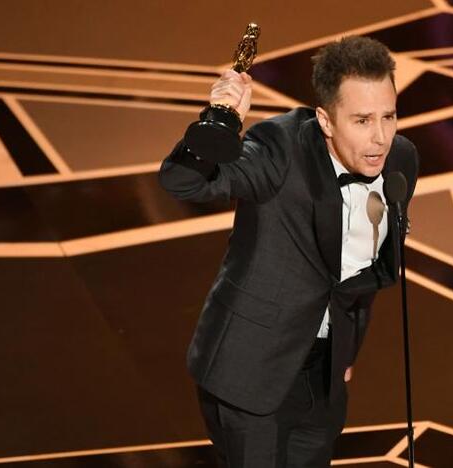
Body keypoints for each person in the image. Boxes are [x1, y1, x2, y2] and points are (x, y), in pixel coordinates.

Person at [159, 36, 419, 468]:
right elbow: (183, 182)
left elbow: (366, 266)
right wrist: (218, 122)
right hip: (250, 371)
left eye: (388, 117)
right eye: (361, 121)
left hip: (325, 374)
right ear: (325, 120)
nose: (380, 138)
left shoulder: (401, 160)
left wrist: (346, 348)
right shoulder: (280, 149)